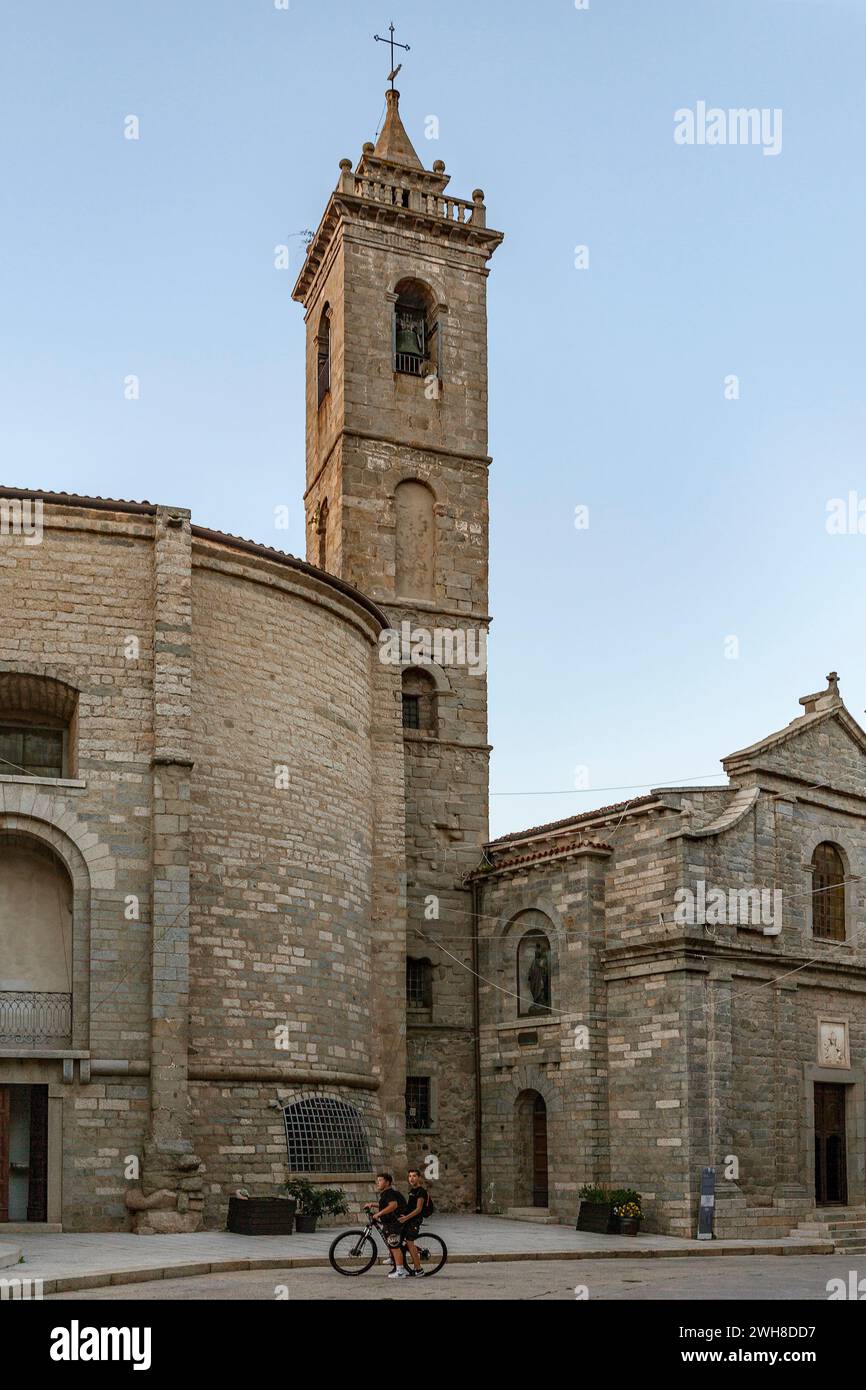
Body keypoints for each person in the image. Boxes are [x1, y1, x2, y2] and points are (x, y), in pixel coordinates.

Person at [365, 1173, 409, 1279]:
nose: (377, 1182)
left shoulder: (388, 1192)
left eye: (380, 1180)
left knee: (394, 1245)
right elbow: (385, 1204)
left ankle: (400, 1271)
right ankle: (394, 1258)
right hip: (391, 1222)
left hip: (394, 1222)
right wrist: (372, 1204)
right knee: (392, 1242)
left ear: (387, 1182)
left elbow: (393, 1205)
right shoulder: (387, 1193)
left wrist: (379, 1214)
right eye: (377, 1180)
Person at [398, 1168, 429, 1275]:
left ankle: (418, 1269)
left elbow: (418, 1209)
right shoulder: (412, 1191)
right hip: (409, 1218)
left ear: (419, 1178)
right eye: (410, 1176)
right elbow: (409, 1207)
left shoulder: (421, 1192)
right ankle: (396, 1260)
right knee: (399, 1237)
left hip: (415, 1220)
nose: (411, 1178)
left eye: (414, 1176)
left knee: (410, 1242)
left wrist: (406, 1218)